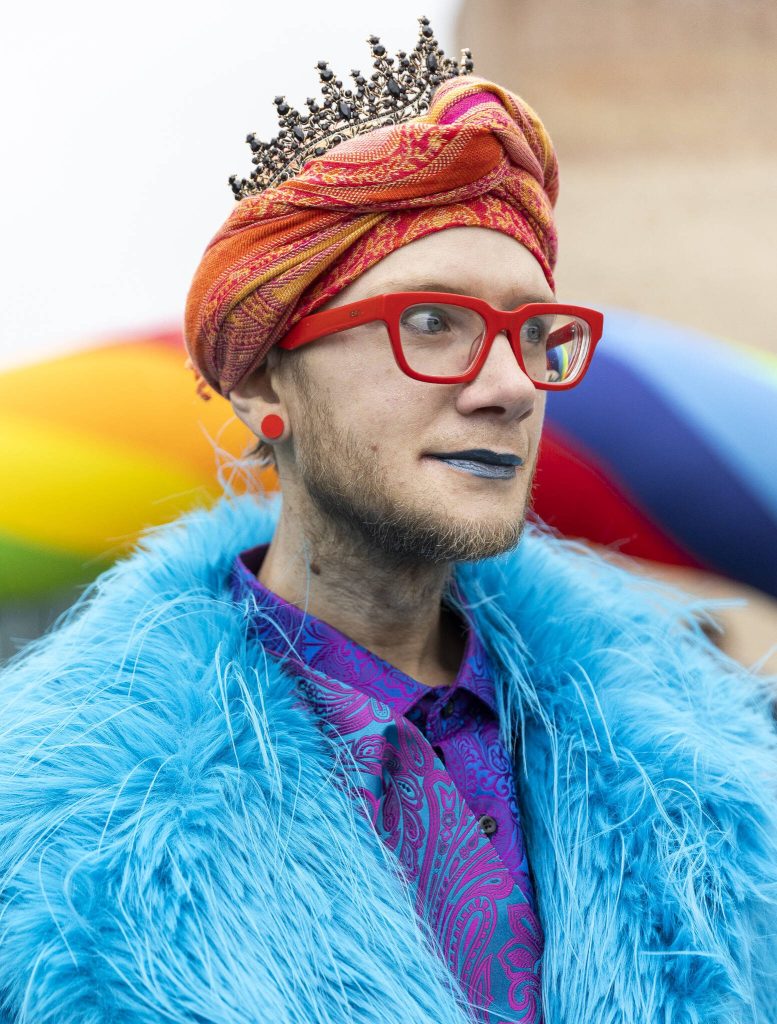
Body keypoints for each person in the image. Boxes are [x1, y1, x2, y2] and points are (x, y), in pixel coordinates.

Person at [0, 19, 775, 1024]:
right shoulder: (55, 838)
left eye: (536, 332)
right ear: (263, 384)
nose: (508, 385)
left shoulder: (713, 781)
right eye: (431, 323)